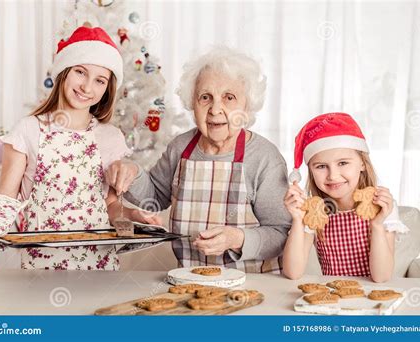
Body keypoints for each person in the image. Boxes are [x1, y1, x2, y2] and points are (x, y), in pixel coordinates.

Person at [0, 25, 160, 270]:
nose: (87, 87)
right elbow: (6, 199)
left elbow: (109, 207)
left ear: (107, 88)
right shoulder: (28, 130)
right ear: (64, 72)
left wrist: (131, 216)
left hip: (100, 263)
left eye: (100, 80)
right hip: (42, 263)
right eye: (80, 72)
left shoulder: (111, 137)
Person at [106, 47, 291, 273]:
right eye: (205, 97)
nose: (215, 109)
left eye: (229, 98)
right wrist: (133, 172)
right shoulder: (180, 147)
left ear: (247, 105)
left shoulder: (264, 158)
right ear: (192, 103)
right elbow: (154, 198)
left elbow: (281, 233)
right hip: (190, 281)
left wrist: (238, 239)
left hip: (252, 286)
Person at [282, 113, 408, 282]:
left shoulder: (381, 207)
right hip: (332, 296)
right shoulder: (313, 212)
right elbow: (292, 272)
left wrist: (377, 225)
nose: (333, 176)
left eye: (342, 163)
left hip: (370, 297)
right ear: (310, 171)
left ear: (362, 163)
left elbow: (381, 277)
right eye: (321, 166)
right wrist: (298, 220)